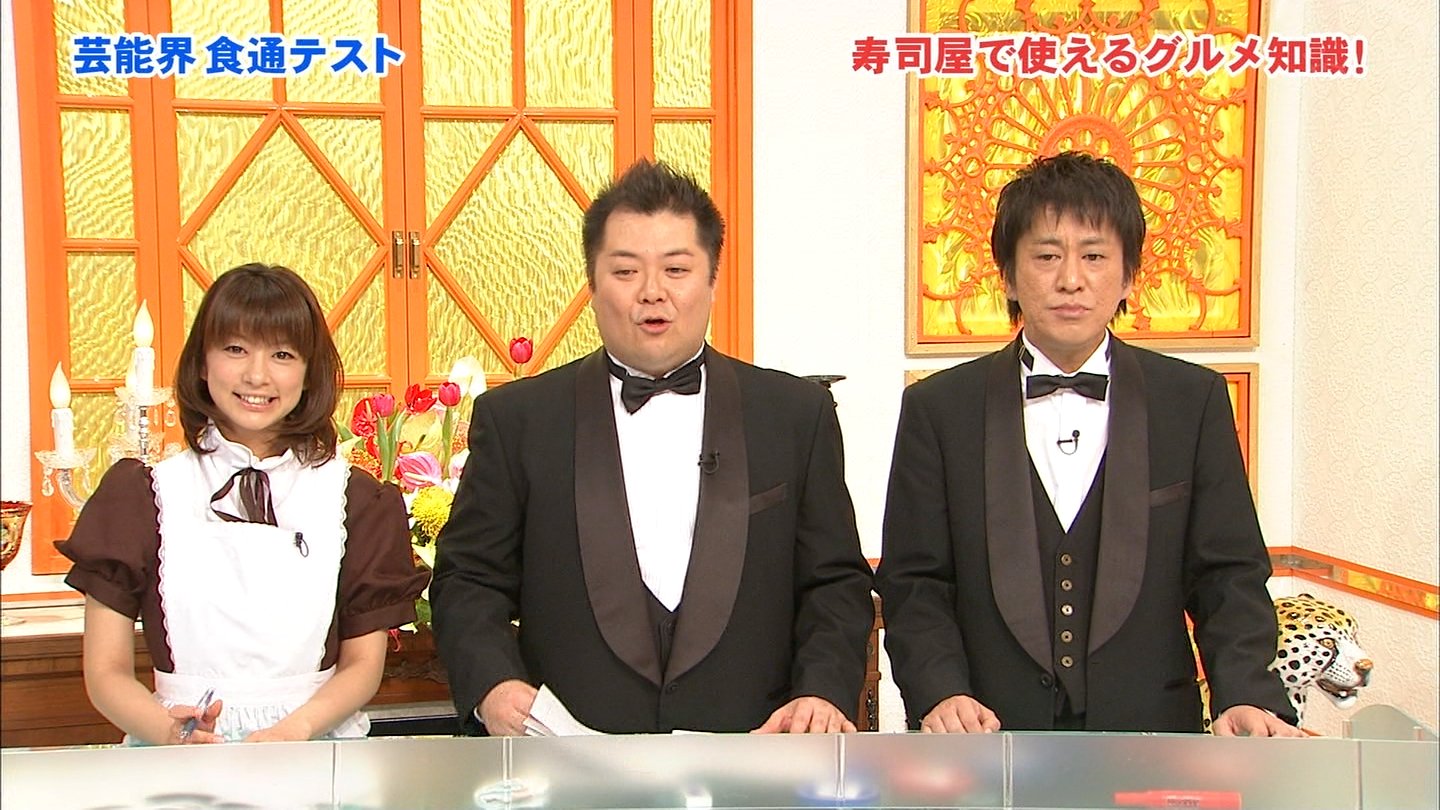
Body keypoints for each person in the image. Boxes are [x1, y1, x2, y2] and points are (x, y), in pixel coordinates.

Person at [430, 159, 875, 735]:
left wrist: (821, 692)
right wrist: (493, 685)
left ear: (712, 280)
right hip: (567, 755)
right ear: (593, 286)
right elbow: (468, 579)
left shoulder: (794, 414)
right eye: (625, 271)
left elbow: (834, 583)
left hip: (756, 750)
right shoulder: (519, 420)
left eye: (676, 269)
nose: (652, 293)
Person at [875, 152, 1302, 736]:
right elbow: (915, 580)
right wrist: (940, 692)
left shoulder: (1191, 400)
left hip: (1152, 736)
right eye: (1046, 256)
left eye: (1094, 256)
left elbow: (1227, 574)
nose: (1070, 279)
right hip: (983, 735)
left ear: (1128, 276)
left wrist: (1246, 694)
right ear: (1008, 275)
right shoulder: (939, 409)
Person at [61, 263, 427, 744]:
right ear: (202, 363)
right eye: (235, 349)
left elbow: (362, 665)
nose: (257, 375)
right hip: (177, 752)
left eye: (282, 354)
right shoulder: (142, 494)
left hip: (314, 746)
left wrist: (295, 730)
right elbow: (105, 672)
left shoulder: (356, 500)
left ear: (309, 373)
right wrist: (171, 733)